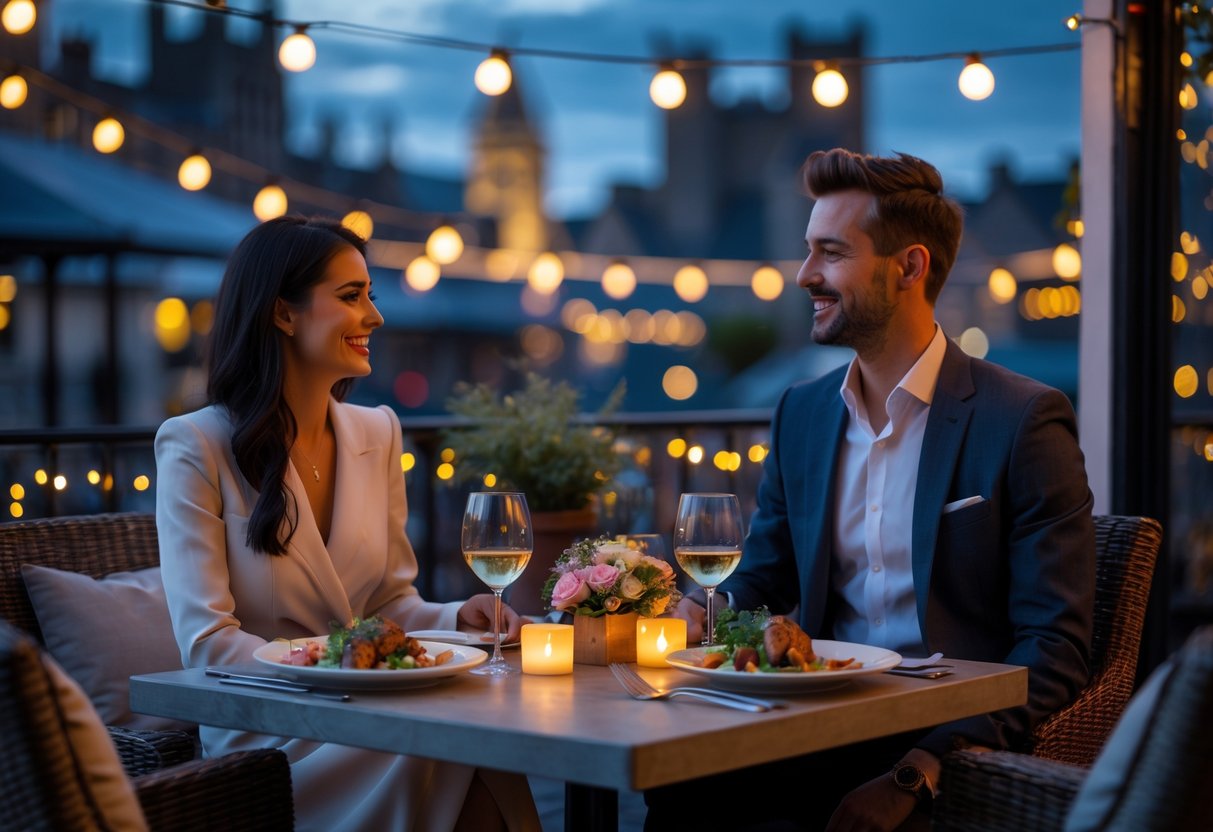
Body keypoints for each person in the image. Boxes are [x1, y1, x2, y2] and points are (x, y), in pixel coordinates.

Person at [652, 149, 1095, 831]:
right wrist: (692, 609)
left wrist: (919, 769)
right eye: (808, 252)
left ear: (908, 267)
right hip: (820, 718)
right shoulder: (800, 412)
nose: (804, 276)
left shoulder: (1022, 420)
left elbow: (1053, 648)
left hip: (944, 734)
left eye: (830, 253)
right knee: (673, 783)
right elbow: (765, 578)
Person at [155, 216, 539, 832]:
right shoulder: (195, 446)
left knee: (478, 746)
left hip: (374, 709)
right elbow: (208, 645)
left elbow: (387, 599)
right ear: (284, 313)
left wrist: (453, 619)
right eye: (351, 297)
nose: (375, 317)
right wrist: (345, 666)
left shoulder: (377, 431)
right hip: (270, 732)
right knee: (457, 750)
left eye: (371, 296)